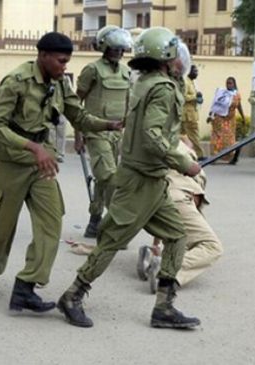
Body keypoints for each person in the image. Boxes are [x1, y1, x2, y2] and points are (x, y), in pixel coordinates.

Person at [57, 28, 202, 329]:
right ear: (164, 56)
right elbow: (152, 135)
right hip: (139, 182)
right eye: (174, 54)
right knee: (110, 241)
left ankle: (164, 307)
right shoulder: (161, 88)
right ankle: (72, 295)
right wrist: (183, 162)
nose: (179, 59)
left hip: (152, 179)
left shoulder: (146, 80)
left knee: (176, 236)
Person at [0, 32, 122, 314]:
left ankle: (25, 288)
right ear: (42, 55)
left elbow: (78, 116)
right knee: (3, 228)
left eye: (67, 62)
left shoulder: (60, 83)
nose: (64, 67)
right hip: (14, 162)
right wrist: (32, 147)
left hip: (42, 164)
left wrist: (108, 125)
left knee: (51, 225)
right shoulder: (17, 81)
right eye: (61, 61)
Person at [138, 137, 223, 291]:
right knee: (211, 246)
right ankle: (165, 273)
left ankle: (152, 256)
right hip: (180, 198)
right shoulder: (193, 167)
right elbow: (194, 201)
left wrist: (155, 245)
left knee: (178, 242)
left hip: (152, 199)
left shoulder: (157, 148)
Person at [74, 25, 132, 238]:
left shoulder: (127, 72)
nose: (118, 51)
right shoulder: (92, 70)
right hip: (95, 132)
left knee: (102, 178)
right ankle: (115, 225)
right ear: (104, 47)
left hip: (118, 133)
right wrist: (78, 134)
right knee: (108, 176)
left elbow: (129, 104)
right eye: (113, 47)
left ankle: (95, 220)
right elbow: (75, 103)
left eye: (121, 48)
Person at [207, 76, 245, 164]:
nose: (228, 85)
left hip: (230, 120)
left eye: (230, 83)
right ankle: (214, 157)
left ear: (234, 84)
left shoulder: (236, 95)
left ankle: (229, 157)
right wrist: (210, 115)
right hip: (219, 119)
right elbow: (215, 105)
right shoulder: (222, 93)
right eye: (227, 83)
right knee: (217, 138)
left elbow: (239, 106)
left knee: (229, 139)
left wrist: (243, 117)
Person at [181, 64, 204, 158]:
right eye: (195, 71)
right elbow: (183, 96)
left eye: (197, 71)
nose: (196, 73)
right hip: (188, 115)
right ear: (189, 71)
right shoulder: (186, 82)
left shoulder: (191, 82)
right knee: (194, 135)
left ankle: (184, 154)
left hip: (190, 114)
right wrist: (195, 97)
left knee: (180, 135)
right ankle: (200, 155)